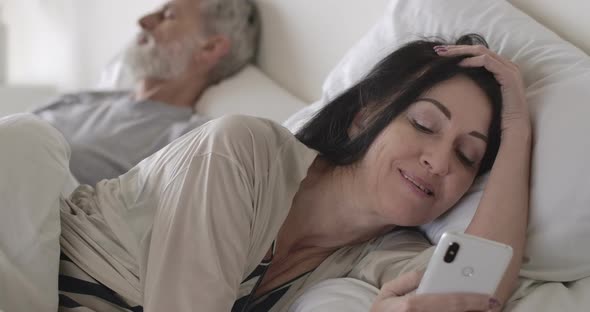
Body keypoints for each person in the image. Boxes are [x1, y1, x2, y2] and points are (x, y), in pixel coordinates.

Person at [0, 34, 531, 312]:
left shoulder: (378, 260)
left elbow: (476, 291)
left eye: (468, 157)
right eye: (423, 124)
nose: (439, 162)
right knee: (26, 144)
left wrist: (517, 132)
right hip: (36, 268)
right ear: (367, 113)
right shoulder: (242, 152)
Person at [33, 0, 260, 186]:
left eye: (168, 15)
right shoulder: (80, 99)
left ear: (210, 48)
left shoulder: (189, 142)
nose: (143, 21)